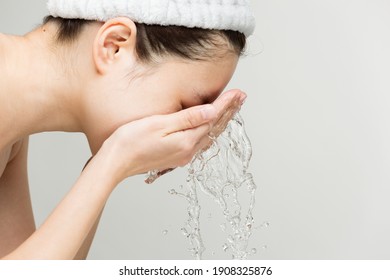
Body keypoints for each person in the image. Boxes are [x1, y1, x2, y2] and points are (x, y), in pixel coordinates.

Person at [0, 0, 255, 259]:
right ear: (114, 45)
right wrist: (112, 162)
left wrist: (105, 164)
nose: (185, 134)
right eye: (185, 107)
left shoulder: (12, 126)